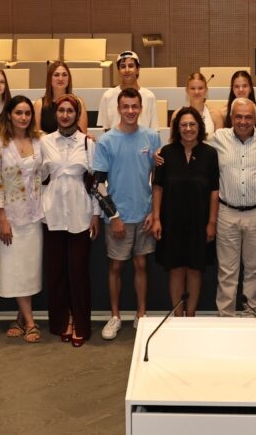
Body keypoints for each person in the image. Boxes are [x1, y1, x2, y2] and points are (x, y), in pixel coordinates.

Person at [40, 95, 107, 346]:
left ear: (77, 115)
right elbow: (40, 177)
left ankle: (80, 322)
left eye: (70, 111)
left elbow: (97, 182)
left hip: (81, 212)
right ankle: (63, 321)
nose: (65, 115)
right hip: (53, 213)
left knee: (79, 271)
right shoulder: (44, 142)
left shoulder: (88, 143)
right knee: (57, 271)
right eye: (61, 111)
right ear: (55, 114)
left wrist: (96, 215)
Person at [94, 87, 161, 339]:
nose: (130, 111)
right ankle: (115, 316)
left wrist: (154, 212)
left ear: (141, 108)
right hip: (118, 217)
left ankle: (141, 315)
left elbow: (157, 179)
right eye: (126, 106)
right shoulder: (107, 141)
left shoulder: (152, 137)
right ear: (118, 109)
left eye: (135, 106)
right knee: (116, 266)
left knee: (141, 264)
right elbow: (98, 184)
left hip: (144, 215)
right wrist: (114, 217)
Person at [0, 95, 45, 343]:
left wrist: (88, 139)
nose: (23, 117)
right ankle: (30, 322)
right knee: (15, 270)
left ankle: (20, 317)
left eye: (27, 113)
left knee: (29, 271)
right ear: (9, 115)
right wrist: (2, 218)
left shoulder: (40, 140)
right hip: (9, 218)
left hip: (34, 216)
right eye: (18, 112)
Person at [208, 98, 256, 317]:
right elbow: (191, 143)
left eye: (248, 117)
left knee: (254, 269)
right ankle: (226, 317)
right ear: (231, 117)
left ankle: (250, 316)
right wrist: (160, 154)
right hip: (227, 212)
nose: (243, 121)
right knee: (227, 271)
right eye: (238, 116)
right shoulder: (218, 138)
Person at [152, 107, 220, 316]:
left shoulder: (210, 154)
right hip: (171, 221)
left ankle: (190, 316)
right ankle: (177, 316)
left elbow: (214, 191)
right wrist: (156, 218)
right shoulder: (165, 153)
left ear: (199, 127)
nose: (188, 129)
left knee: (195, 270)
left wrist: (212, 222)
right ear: (177, 128)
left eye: (192, 124)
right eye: (184, 125)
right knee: (176, 269)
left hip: (200, 222)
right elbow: (158, 188)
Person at [98, 51, 158, 130]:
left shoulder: (149, 96)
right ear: (118, 70)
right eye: (123, 66)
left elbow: (154, 130)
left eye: (131, 66)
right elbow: (106, 129)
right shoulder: (107, 96)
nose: (127, 70)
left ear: (138, 69)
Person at [35, 62, 87, 134]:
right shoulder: (39, 104)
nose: (60, 78)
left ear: (69, 79)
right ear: (50, 79)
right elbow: (37, 136)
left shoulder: (79, 102)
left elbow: (82, 134)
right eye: (56, 75)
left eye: (64, 75)